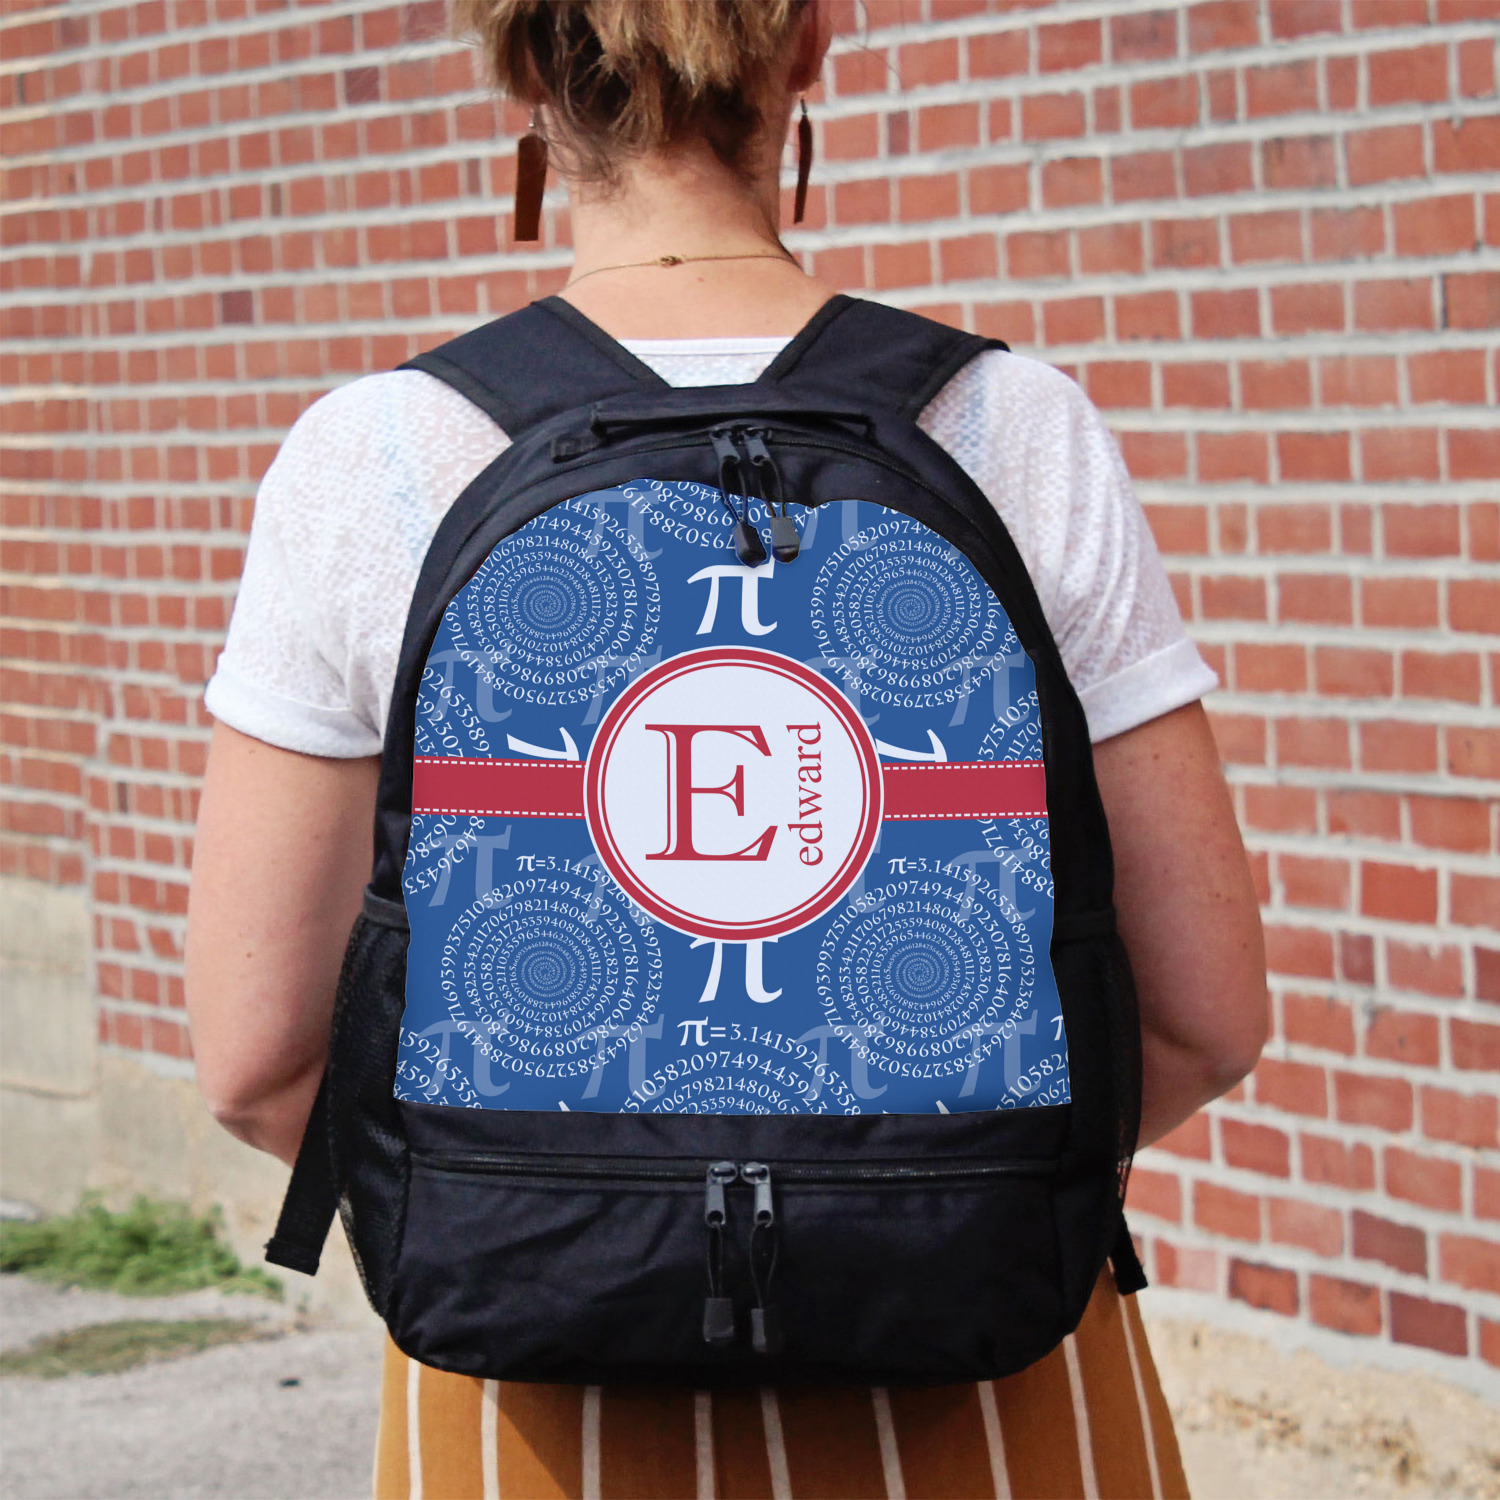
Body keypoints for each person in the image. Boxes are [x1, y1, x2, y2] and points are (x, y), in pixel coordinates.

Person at [185, 3, 1268, 1495]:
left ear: (522, 65)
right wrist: (909, 1204)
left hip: (536, 1388)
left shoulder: (369, 456)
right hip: (980, 1360)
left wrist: (568, 1219)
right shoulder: (1014, 427)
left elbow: (258, 1066)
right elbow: (1205, 1022)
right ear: (808, 41)